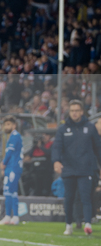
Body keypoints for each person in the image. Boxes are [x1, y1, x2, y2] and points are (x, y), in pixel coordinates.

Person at [52, 100, 101, 235]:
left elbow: (98, 148)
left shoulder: (90, 127)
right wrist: (56, 161)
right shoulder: (63, 129)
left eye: (77, 110)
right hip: (68, 169)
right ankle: (68, 225)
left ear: (81, 112)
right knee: (69, 198)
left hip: (86, 168)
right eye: (72, 110)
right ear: (69, 112)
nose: (74, 113)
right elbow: (57, 146)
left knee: (86, 197)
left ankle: (88, 224)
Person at [0, 116, 23, 225]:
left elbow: (9, 154)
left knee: (8, 191)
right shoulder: (11, 136)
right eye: (5, 124)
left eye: (8, 124)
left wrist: (3, 163)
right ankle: (13, 217)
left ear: (14, 125)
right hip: (11, 167)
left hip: (13, 167)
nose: (6, 127)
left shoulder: (15, 136)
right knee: (12, 192)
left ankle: (10, 216)